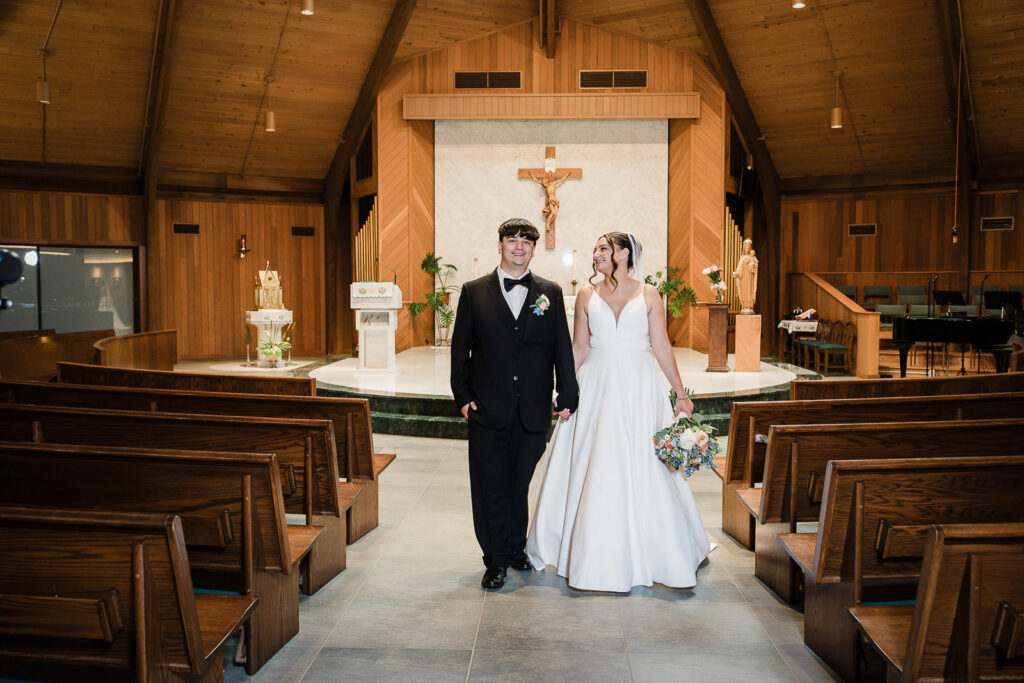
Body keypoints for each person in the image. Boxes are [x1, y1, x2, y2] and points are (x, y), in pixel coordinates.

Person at [526, 231, 712, 592]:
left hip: (639, 386)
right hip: (596, 385)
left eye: (603, 249)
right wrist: (562, 390)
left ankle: (656, 548)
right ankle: (586, 548)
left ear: (623, 255)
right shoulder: (585, 295)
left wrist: (679, 394)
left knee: (643, 462)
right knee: (593, 459)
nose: (595, 255)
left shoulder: (649, 295)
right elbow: (579, 347)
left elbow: (660, 345)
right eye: (595, 249)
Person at [450, 218, 579, 590]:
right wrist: (463, 397)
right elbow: (461, 347)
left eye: (527, 240)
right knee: (491, 484)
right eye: (512, 239)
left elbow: (561, 347)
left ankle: (514, 545)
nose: (519, 246)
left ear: (534, 249)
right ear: (500, 245)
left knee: (519, 481)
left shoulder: (550, 293)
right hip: (486, 408)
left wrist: (567, 392)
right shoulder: (474, 291)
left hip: (533, 408)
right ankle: (496, 559)